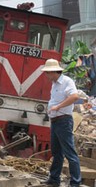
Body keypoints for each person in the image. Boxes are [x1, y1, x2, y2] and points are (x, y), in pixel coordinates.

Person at [40, 59, 81, 187]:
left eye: (47, 73)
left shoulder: (66, 82)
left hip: (63, 120)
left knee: (70, 153)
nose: (46, 75)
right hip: (56, 121)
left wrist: (58, 107)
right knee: (57, 152)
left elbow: (74, 97)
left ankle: (75, 183)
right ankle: (54, 178)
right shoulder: (55, 84)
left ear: (53, 72)